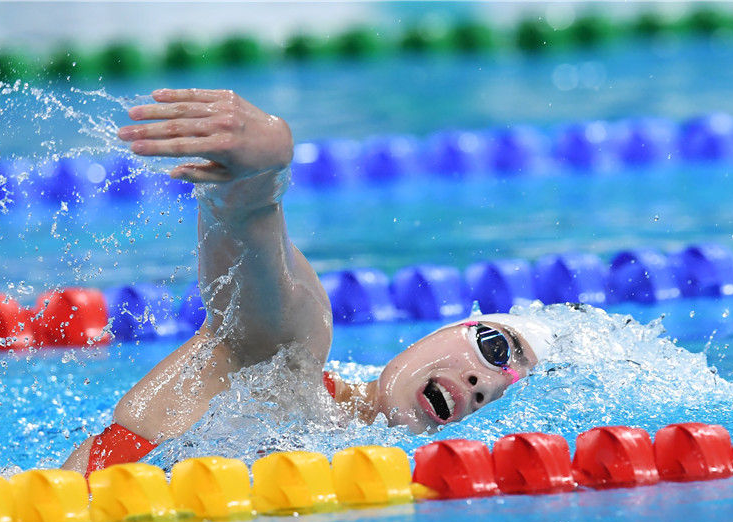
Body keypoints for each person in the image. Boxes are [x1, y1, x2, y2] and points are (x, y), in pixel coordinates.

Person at [62, 88, 552, 474]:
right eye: (495, 348)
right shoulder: (286, 365)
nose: (484, 386)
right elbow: (251, 255)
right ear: (440, 334)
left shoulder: (350, 460)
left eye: (504, 394)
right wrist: (255, 181)